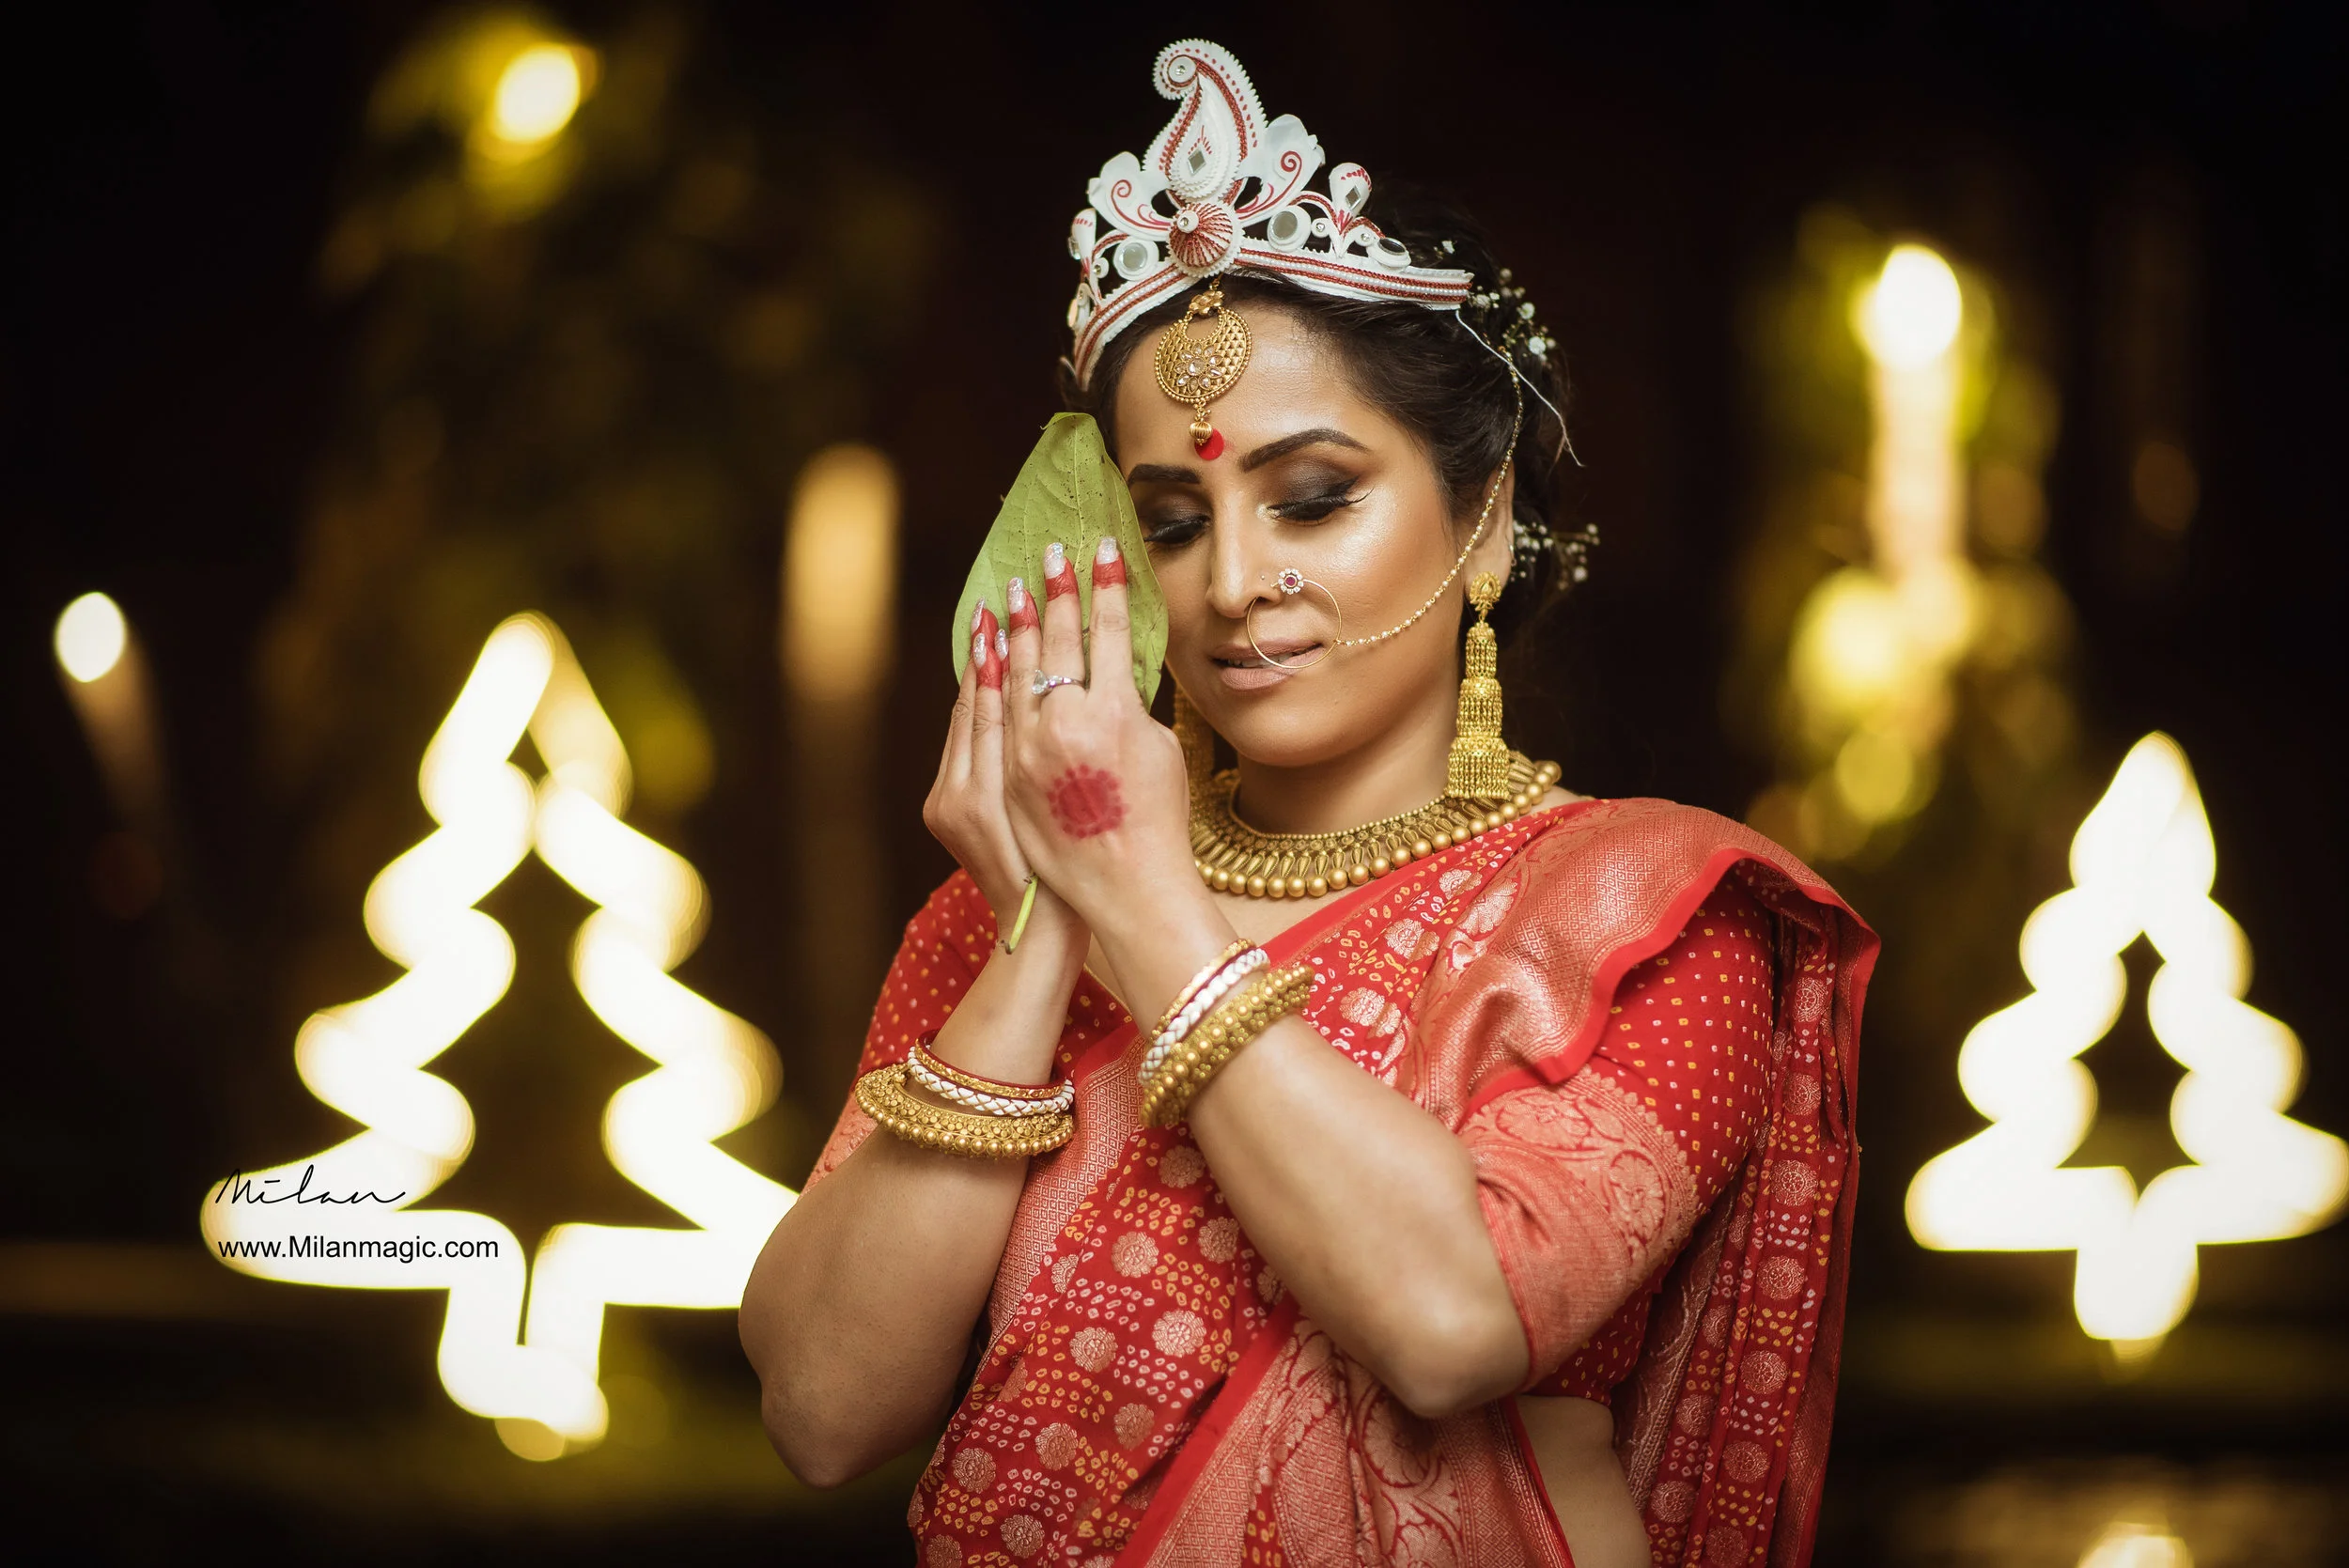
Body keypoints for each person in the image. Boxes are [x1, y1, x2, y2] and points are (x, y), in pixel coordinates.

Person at [740, 40, 1874, 1568]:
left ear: (1488, 528)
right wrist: (1037, 934)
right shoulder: (1014, 906)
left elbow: (1452, 1323)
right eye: (1171, 518)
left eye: (1314, 495)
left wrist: (1141, 905)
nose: (1232, 580)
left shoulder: (1645, 920)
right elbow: (821, 1412)